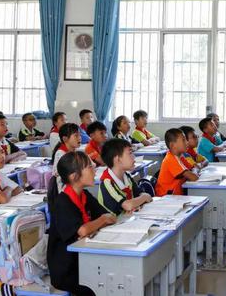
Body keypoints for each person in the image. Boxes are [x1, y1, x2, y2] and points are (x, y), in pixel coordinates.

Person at [47, 152, 116, 295]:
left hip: (85, 259)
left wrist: (97, 223)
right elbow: (83, 230)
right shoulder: (63, 202)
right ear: (74, 176)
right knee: (101, 286)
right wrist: (100, 221)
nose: (94, 168)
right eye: (89, 167)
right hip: (67, 269)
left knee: (114, 276)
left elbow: (109, 216)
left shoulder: (85, 195)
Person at [98, 138, 152, 215]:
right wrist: (142, 198)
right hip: (115, 222)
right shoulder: (107, 182)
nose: (134, 157)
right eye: (130, 153)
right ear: (117, 159)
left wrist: (140, 199)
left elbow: (143, 194)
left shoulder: (126, 176)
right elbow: (128, 205)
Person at [155, 128, 199, 196]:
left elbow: (195, 167)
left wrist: (194, 170)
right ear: (172, 145)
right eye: (183, 140)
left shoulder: (180, 156)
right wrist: (194, 171)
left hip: (176, 196)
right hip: (166, 198)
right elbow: (194, 177)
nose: (187, 142)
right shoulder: (171, 159)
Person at [51, 123, 81, 191]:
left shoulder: (74, 151)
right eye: (76, 136)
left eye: (80, 135)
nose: (80, 138)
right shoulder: (60, 154)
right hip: (64, 190)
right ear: (65, 139)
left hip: (74, 186)